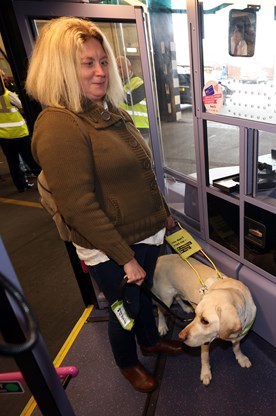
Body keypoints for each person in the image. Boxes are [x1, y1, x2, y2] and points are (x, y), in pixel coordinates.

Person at [26, 17, 182, 393]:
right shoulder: (60, 125)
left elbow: (142, 172)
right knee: (123, 309)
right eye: (87, 63)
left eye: (103, 61)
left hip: (144, 233)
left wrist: (163, 213)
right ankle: (127, 363)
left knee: (142, 299)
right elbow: (78, 206)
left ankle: (149, 340)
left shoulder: (108, 110)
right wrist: (123, 257)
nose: (100, 72)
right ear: (62, 69)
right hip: (111, 247)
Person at [0, 69, 41, 192]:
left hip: (3, 136)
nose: (5, 77)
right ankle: (43, 180)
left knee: (13, 163)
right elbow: (22, 106)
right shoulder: (8, 95)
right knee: (30, 158)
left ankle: (21, 185)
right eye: (2, 76)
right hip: (18, 133)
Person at [115, 55, 149, 138]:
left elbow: (130, 101)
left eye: (120, 67)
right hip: (124, 126)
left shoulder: (139, 83)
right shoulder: (120, 84)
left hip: (140, 127)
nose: (117, 70)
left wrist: (115, 87)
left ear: (129, 67)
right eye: (115, 68)